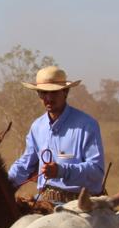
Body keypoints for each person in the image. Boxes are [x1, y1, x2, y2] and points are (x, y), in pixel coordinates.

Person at [7, 65, 106, 203]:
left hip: (80, 205)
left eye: (53, 93)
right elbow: (25, 164)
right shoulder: (37, 127)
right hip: (44, 200)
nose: (48, 98)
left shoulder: (87, 125)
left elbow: (96, 172)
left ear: (65, 92)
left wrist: (61, 171)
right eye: (43, 93)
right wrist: (4, 183)